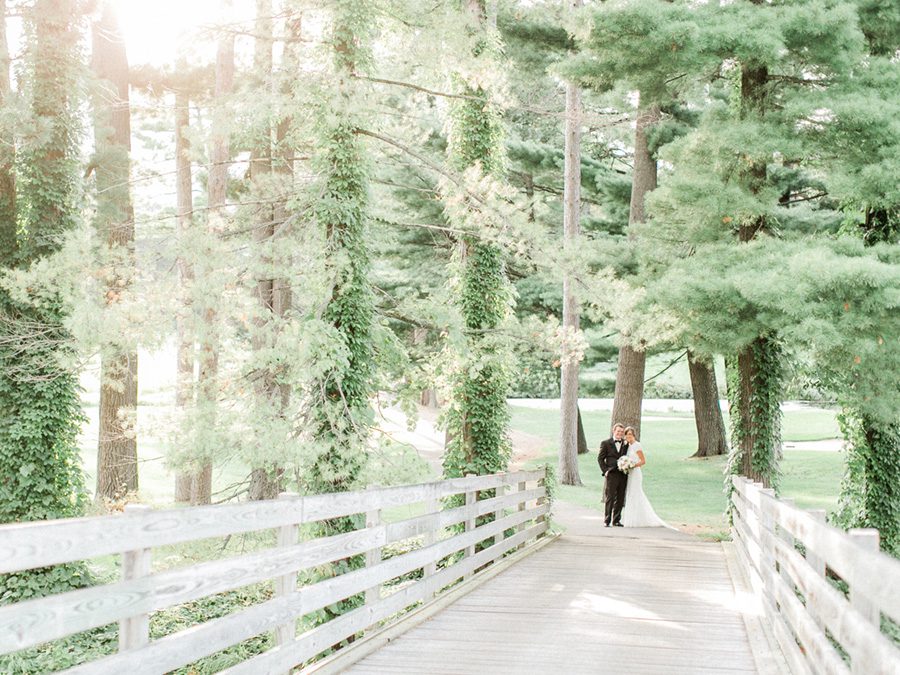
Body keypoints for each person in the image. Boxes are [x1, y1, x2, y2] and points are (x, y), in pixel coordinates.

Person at [620, 427, 674, 529]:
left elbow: (643, 461)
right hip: (630, 474)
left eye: (630, 434)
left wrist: (632, 465)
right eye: (627, 435)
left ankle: (641, 518)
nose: (628, 436)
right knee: (630, 494)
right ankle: (632, 519)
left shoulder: (637, 445)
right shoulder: (628, 446)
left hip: (636, 473)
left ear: (634, 435)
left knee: (636, 493)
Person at [597, 422, 629, 527]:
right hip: (611, 474)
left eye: (621, 432)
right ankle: (607, 520)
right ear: (613, 431)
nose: (620, 433)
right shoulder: (605, 443)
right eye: (618, 431)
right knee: (610, 497)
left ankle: (616, 520)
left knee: (620, 498)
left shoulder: (626, 444)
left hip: (623, 474)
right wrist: (605, 471)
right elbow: (600, 459)